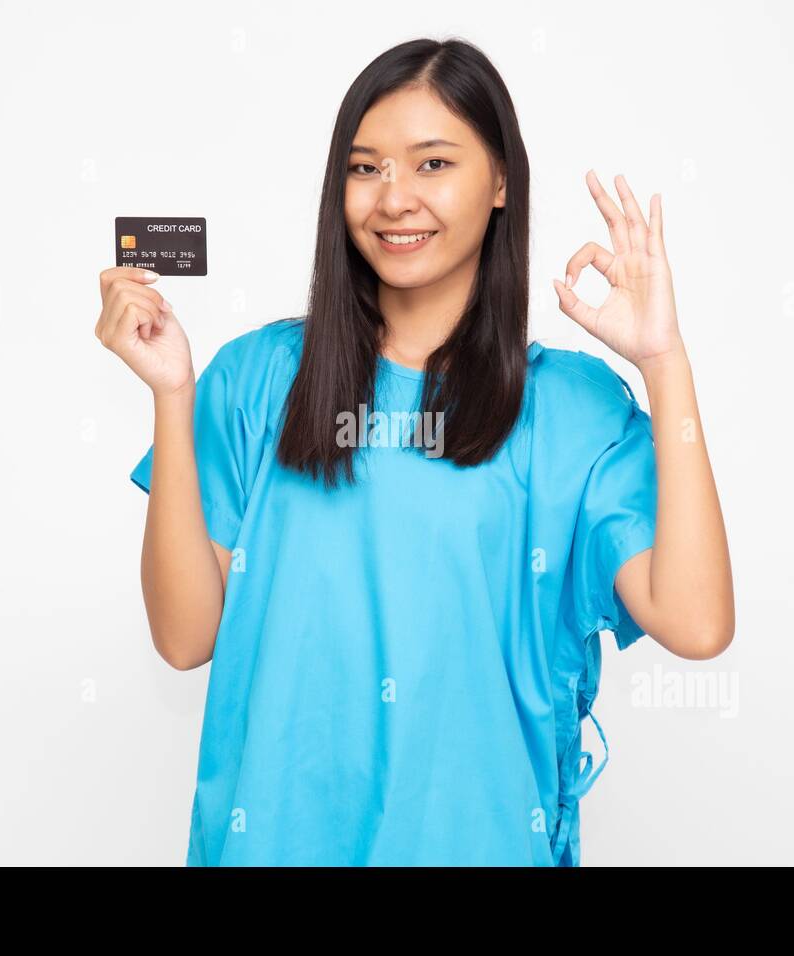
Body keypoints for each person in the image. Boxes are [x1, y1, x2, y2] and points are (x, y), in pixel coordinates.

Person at [95, 37, 734, 866]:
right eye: (366, 169)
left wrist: (664, 363)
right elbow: (184, 638)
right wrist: (172, 394)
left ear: (501, 180)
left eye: (433, 164)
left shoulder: (574, 411)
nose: (394, 198)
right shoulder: (253, 381)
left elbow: (697, 621)